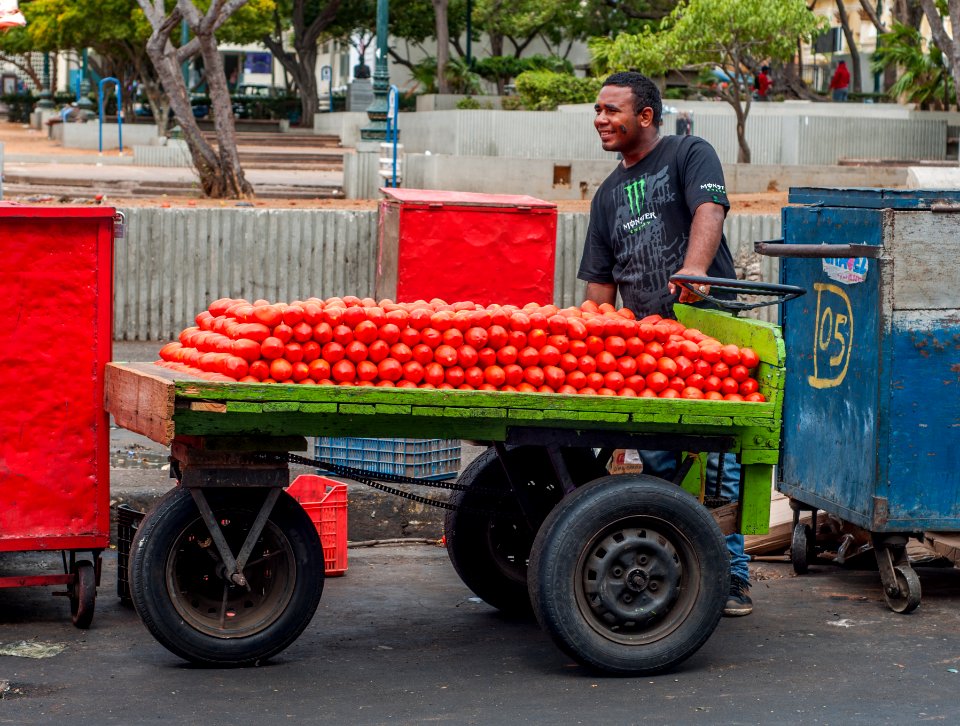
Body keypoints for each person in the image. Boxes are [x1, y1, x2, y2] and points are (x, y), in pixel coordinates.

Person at [577, 71, 753, 617]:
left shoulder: (688, 153)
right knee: (660, 462)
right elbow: (600, 284)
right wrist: (585, 340)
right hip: (648, 349)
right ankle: (676, 571)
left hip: (706, 335)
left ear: (645, 116)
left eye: (612, 111)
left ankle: (731, 577)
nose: (601, 120)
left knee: (718, 459)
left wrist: (694, 270)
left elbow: (711, 210)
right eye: (599, 111)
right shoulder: (607, 195)